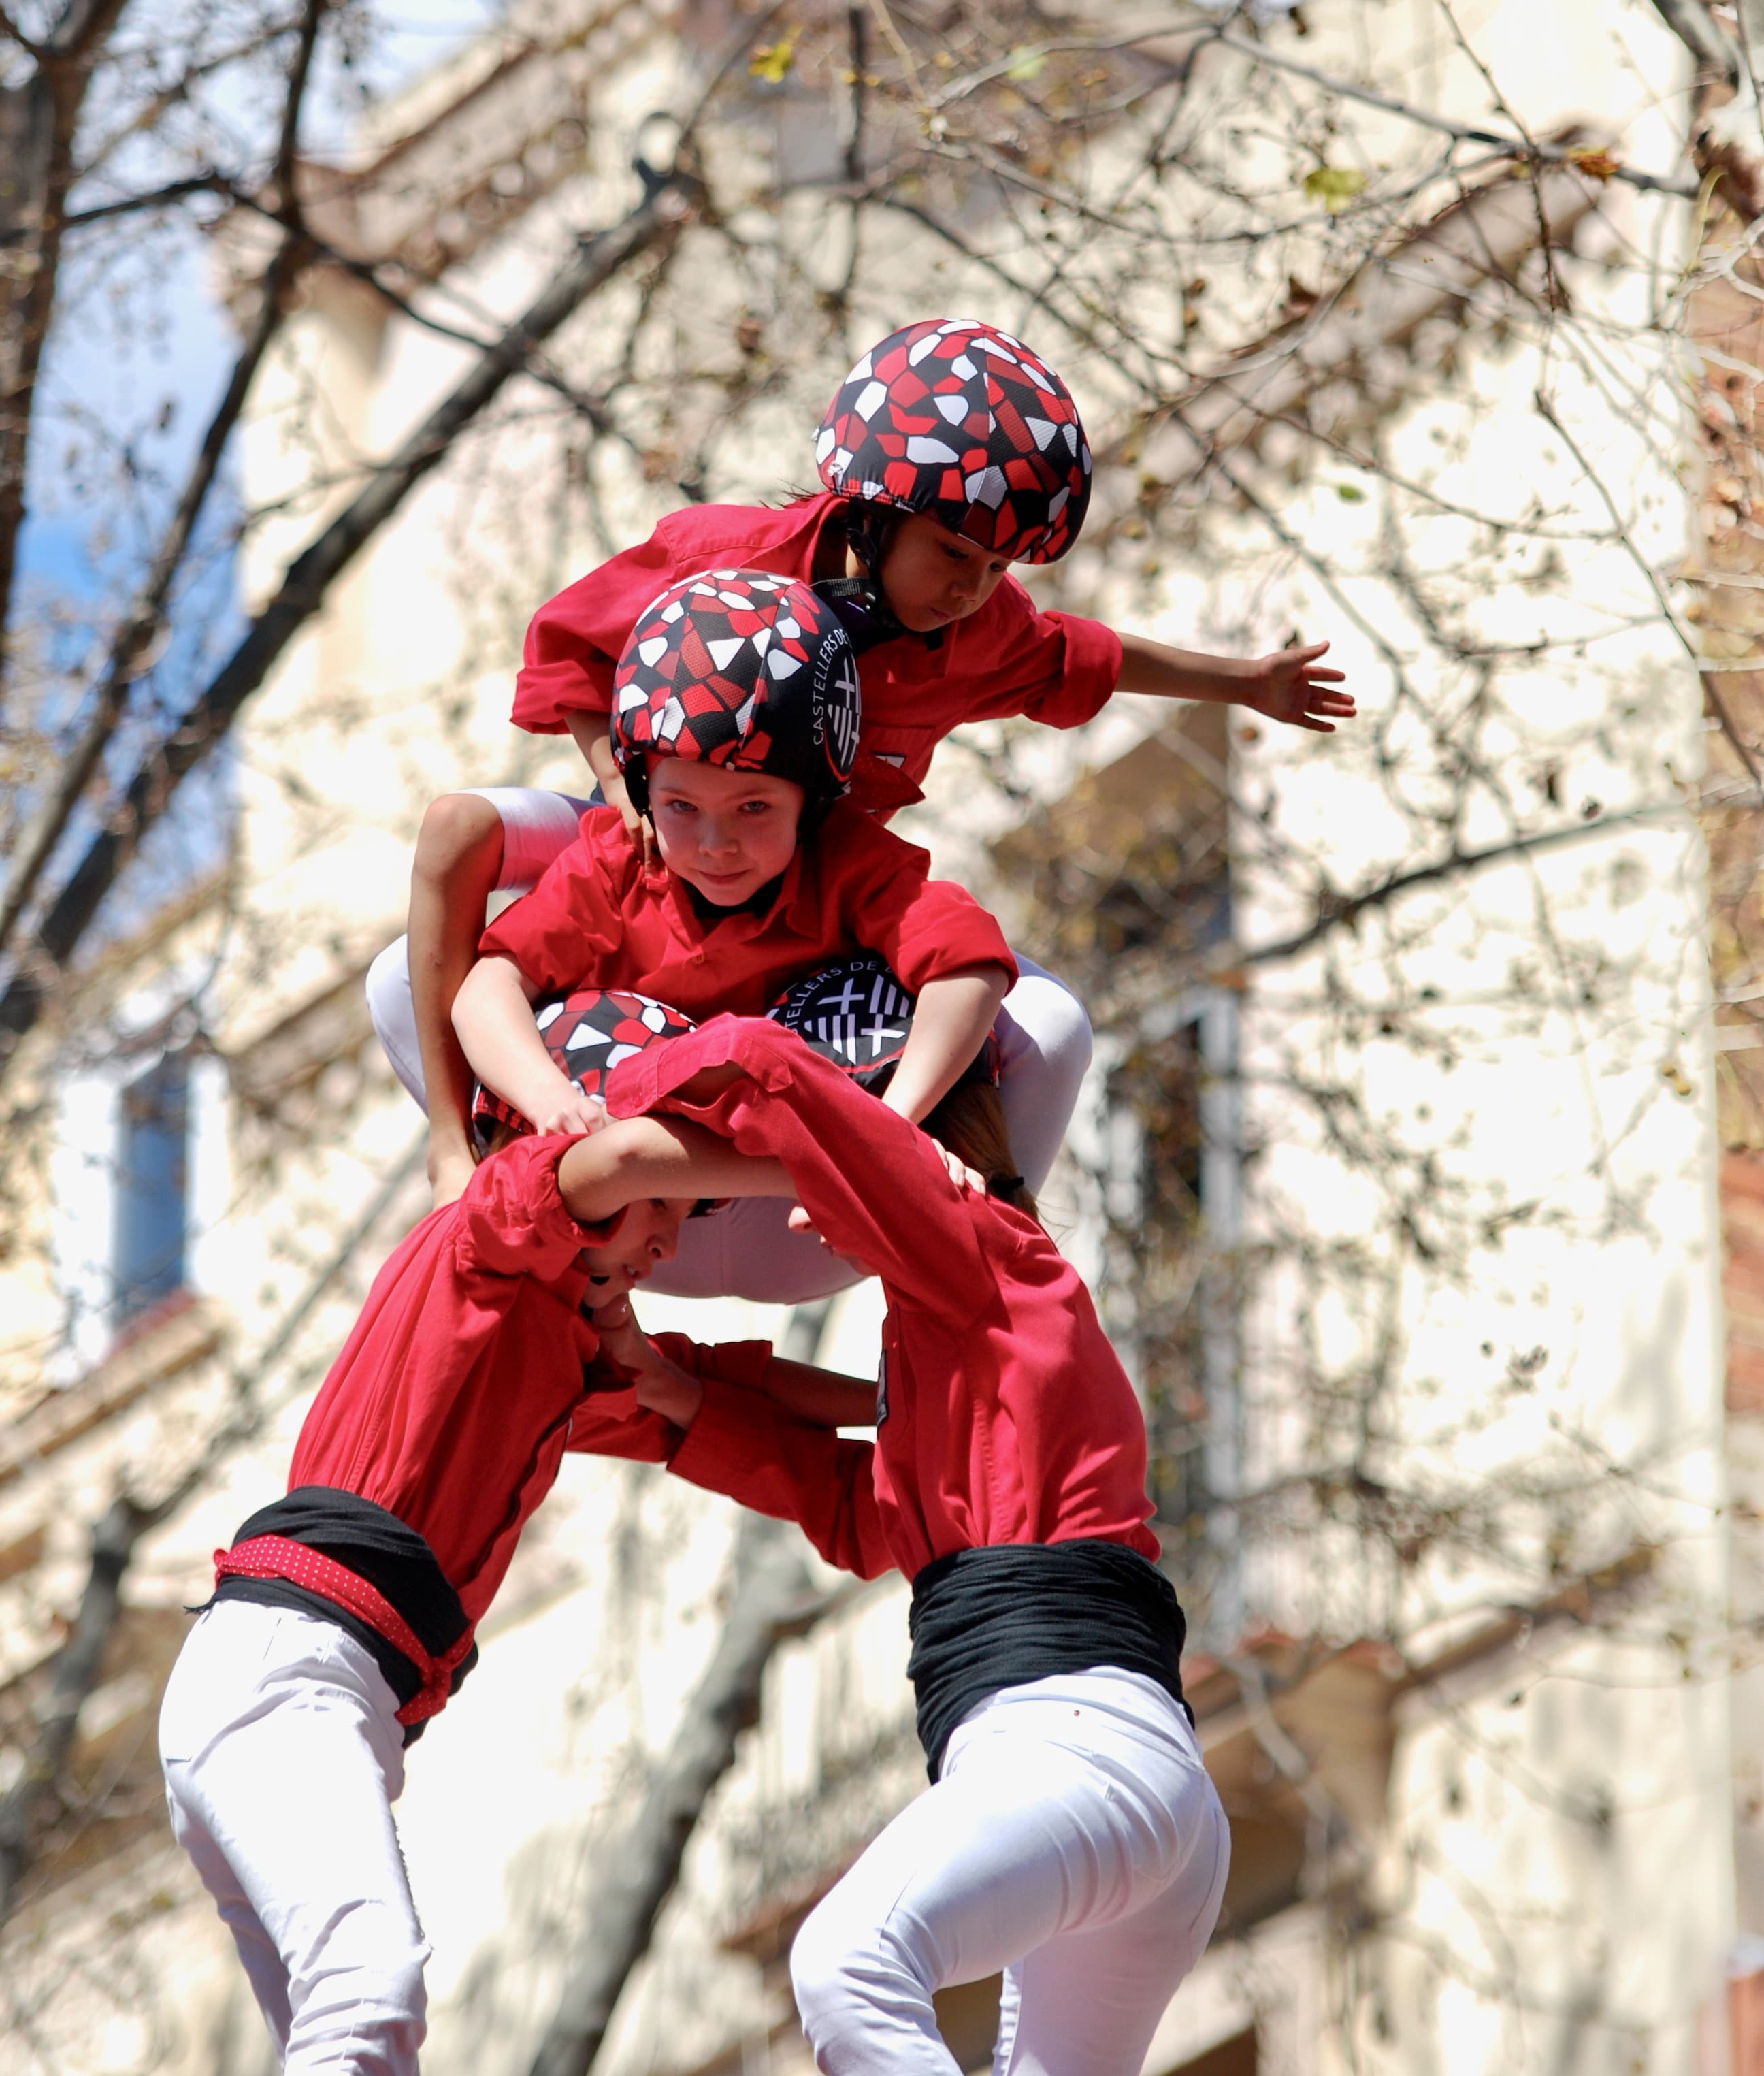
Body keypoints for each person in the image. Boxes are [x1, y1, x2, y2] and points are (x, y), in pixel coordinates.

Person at [369, 320, 1354, 1239]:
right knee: (456, 836)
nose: (973, 587)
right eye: (955, 553)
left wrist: (1246, 683)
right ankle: (455, 1146)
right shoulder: (727, 558)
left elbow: (1081, 655)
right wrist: (625, 792)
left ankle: (989, 1239)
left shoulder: (980, 629)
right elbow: (572, 653)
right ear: (875, 515)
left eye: (1000, 565)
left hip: (821, 879)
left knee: (1050, 1030)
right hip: (667, 831)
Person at [157, 1052, 877, 2076]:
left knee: (353, 2039)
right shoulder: (487, 1235)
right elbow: (615, 1154)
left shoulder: (555, 1355)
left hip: (310, 1688)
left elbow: (727, 1393)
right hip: (293, 1669)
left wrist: (904, 1398)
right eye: (668, 1205)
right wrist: (854, 1163)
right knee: (369, 1993)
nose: (673, 1237)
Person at [568, 1007, 1232, 2076]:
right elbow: (864, 1512)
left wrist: (591, 1116)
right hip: (1127, 1784)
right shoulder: (963, 1327)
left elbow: (768, 1065)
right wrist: (677, 1395)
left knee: (847, 1965)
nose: (785, 1213)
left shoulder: (978, 1254)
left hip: (1074, 1753)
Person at [451, 569, 1018, 1299]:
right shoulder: (620, 861)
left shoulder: (844, 857)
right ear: (642, 791)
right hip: (634, 1195)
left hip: (804, 1207)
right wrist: (548, 1096)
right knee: (574, 1025)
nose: (716, 843)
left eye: (754, 806)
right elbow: (485, 989)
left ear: (813, 801)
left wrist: (888, 1128)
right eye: (681, 805)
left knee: (905, 1004)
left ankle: (982, 1222)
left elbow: (970, 966)